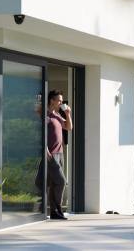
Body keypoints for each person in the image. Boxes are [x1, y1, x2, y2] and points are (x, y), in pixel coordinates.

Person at [46, 89, 72, 220]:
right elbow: (40, 133)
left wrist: (67, 114)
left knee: (55, 183)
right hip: (50, 154)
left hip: (60, 153)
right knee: (61, 182)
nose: (61, 102)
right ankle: (57, 209)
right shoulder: (46, 115)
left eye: (62, 101)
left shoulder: (56, 115)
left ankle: (54, 212)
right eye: (59, 100)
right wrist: (46, 151)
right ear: (52, 100)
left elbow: (68, 127)